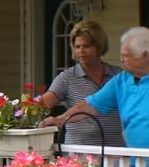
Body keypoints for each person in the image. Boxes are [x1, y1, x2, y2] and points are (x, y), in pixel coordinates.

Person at [48, 26, 149, 150]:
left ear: (143, 55)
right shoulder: (121, 80)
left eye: (126, 56)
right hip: (136, 162)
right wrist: (60, 120)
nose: (122, 60)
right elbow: (90, 105)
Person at [39, 18, 123, 149]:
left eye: (87, 46)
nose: (81, 51)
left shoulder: (117, 75)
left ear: (99, 46)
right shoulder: (67, 77)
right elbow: (44, 103)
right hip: (79, 152)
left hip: (115, 151)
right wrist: (14, 109)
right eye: (77, 47)